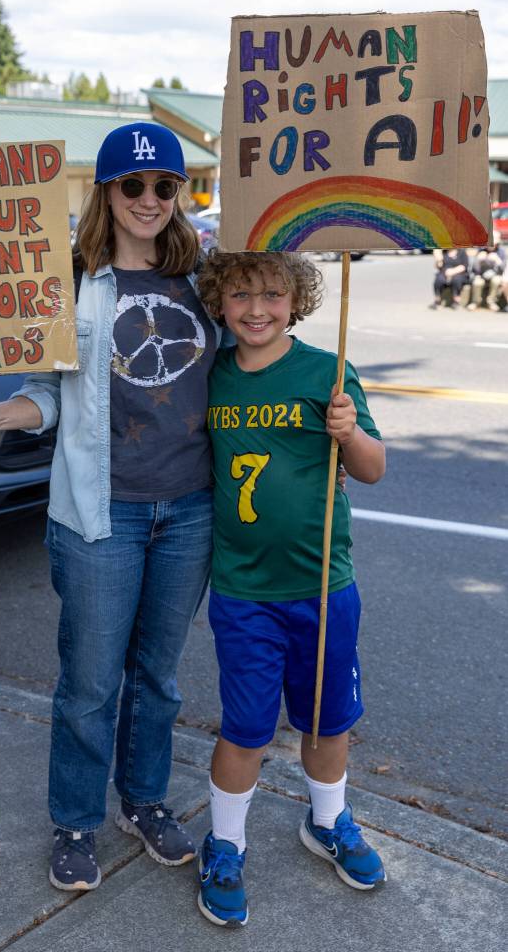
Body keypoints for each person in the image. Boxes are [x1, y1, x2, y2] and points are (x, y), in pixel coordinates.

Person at [0, 122, 223, 891]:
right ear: (106, 191)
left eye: (163, 186)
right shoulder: (70, 279)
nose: (148, 199)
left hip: (190, 511)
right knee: (91, 682)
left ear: (179, 193)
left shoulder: (204, 281)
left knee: (159, 678)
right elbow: (46, 393)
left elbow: (249, 363)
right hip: (99, 514)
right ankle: (75, 820)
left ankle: (143, 800)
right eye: (132, 185)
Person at [194, 250, 386, 928]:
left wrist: (349, 431)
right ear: (218, 301)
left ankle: (328, 821)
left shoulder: (323, 373)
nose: (255, 308)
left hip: (322, 585)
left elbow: (371, 469)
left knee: (326, 719)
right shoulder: (210, 376)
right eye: (240, 294)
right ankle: (224, 843)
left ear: (295, 301)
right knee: (245, 728)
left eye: (272, 294)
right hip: (245, 592)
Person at [467, 234, 506, 311]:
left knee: (497, 280)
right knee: (477, 282)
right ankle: (476, 302)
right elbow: (472, 268)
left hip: (496, 275)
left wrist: (497, 260)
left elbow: (503, 268)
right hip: (481, 275)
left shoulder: (501, 251)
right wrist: (478, 260)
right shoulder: (481, 250)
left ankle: (491, 302)